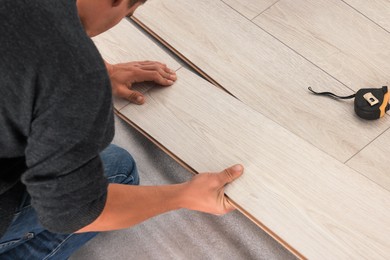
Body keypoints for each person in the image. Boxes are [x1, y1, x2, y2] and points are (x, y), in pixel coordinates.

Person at [0, 0, 244, 259]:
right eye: (131, 11)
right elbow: (74, 214)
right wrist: (183, 195)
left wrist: (100, 67)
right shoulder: (77, 81)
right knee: (118, 170)